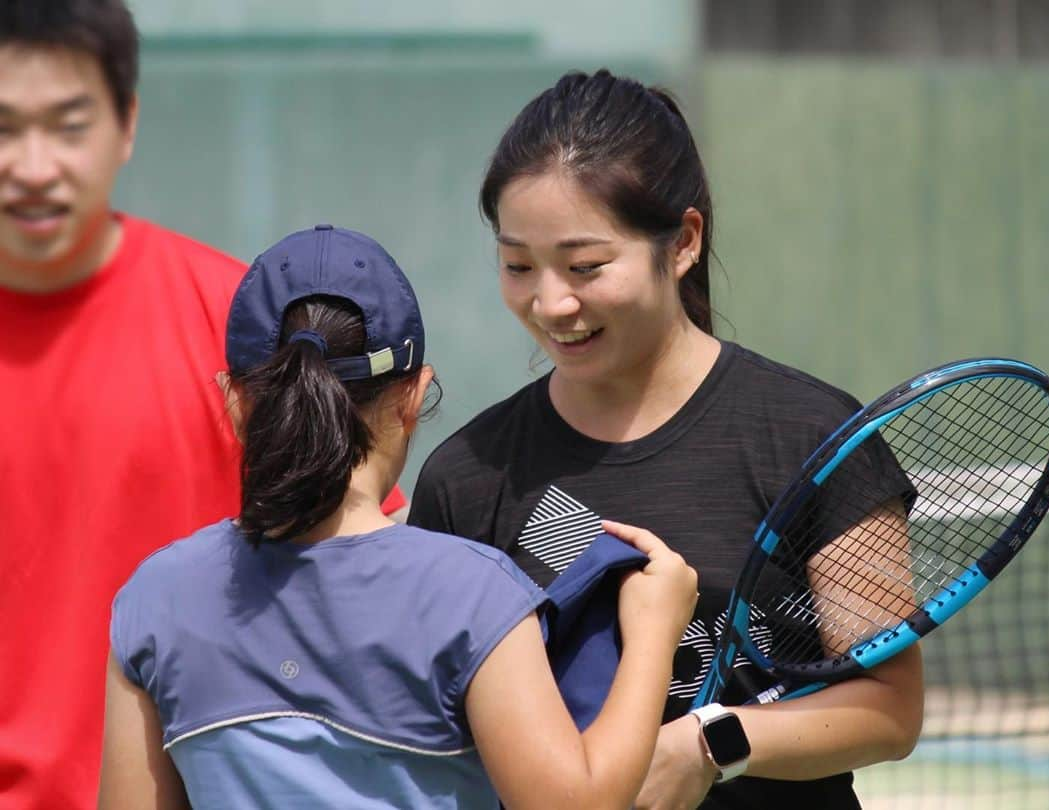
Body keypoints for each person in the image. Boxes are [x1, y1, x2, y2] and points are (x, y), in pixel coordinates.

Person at [408, 69, 925, 809]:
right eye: (518, 265)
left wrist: (711, 745)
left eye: (586, 266)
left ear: (681, 243)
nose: (551, 302)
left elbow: (889, 708)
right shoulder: (468, 477)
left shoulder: (811, 438)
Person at [97, 225, 699, 810]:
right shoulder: (473, 594)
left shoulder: (155, 600)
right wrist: (651, 634)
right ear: (413, 397)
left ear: (234, 402)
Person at [0, 4, 401, 807]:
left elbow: (367, 563)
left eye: (68, 125)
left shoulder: (237, 330)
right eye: (5, 128)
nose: (35, 165)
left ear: (127, 124)